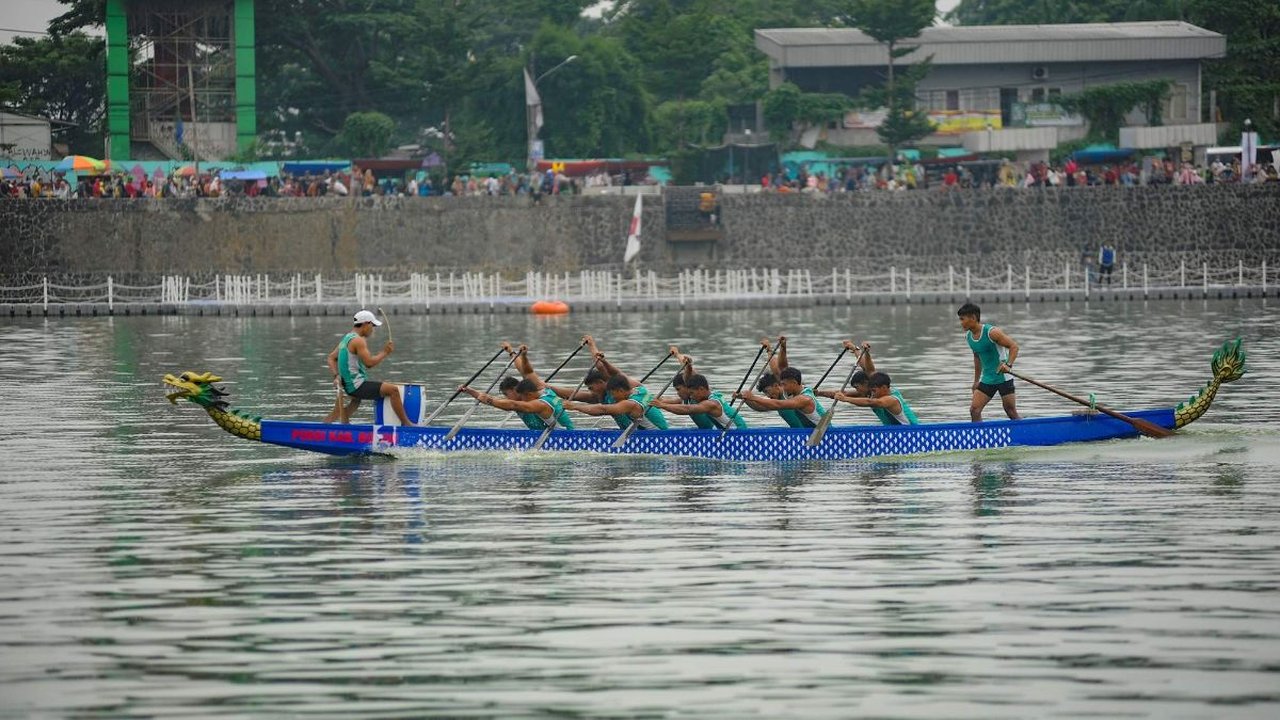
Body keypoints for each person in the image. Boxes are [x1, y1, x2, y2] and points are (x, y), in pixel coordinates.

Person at [323, 310, 414, 425]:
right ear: (366, 324)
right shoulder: (358, 341)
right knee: (393, 390)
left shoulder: (347, 338)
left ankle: (333, 425)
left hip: (348, 385)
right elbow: (369, 363)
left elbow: (331, 358)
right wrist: (385, 352)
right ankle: (407, 424)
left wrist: (336, 375)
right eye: (373, 325)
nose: (373, 329)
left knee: (356, 401)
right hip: (356, 386)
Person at [651, 347, 747, 430]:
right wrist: (681, 358)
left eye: (692, 393)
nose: (691, 396)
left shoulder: (711, 403)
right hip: (729, 432)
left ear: (701, 389)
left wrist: (662, 405)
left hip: (741, 434)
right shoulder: (702, 394)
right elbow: (688, 373)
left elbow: (688, 409)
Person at [957, 303, 1020, 422]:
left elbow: (1014, 347)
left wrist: (1008, 365)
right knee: (974, 410)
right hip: (987, 378)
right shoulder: (968, 337)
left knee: (1010, 411)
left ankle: (1024, 431)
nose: (961, 323)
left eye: (962, 319)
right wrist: (976, 381)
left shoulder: (992, 332)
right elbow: (977, 358)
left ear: (973, 318)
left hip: (1003, 377)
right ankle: (978, 433)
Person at [460, 376, 573, 431]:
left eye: (506, 394)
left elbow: (513, 405)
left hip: (566, 438)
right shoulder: (537, 393)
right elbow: (502, 401)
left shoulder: (541, 404)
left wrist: (490, 401)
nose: (505, 398)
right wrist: (471, 391)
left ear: (516, 390)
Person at [564, 374, 670, 431]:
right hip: (657, 432)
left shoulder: (630, 404)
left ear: (620, 390)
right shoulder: (640, 390)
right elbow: (615, 373)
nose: (613, 398)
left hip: (658, 436)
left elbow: (603, 409)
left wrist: (575, 407)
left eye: (613, 394)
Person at [832, 372, 919, 425]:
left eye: (874, 390)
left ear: (884, 387)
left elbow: (870, 402)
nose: (872, 393)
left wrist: (845, 399)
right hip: (895, 432)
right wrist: (857, 351)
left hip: (912, 433)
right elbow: (868, 369)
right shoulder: (882, 389)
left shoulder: (891, 400)